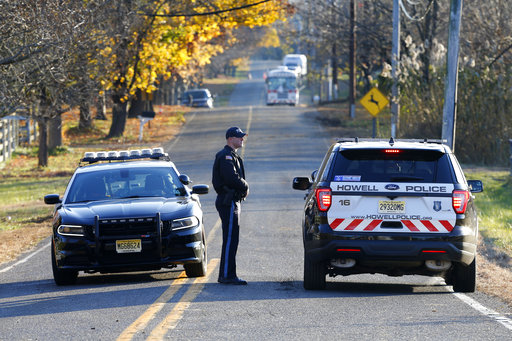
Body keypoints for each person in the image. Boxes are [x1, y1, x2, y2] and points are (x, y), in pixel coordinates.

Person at [212, 127, 249, 285]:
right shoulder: (226, 156)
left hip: (231, 201)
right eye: (239, 137)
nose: (242, 139)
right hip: (228, 201)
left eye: (242, 137)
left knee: (232, 239)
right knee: (230, 239)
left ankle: (228, 274)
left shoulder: (231, 155)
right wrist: (245, 186)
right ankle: (227, 275)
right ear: (230, 138)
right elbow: (231, 178)